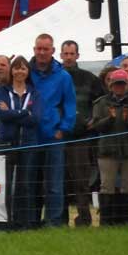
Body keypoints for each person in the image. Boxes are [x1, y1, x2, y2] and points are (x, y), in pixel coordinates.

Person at [29, 34, 77, 226]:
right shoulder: (25, 72)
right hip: (31, 135)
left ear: (52, 51)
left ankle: (53, 221)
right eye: (38, 49)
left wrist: (63, 129)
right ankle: (29, 219)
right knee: (30, 181)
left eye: (45, 49)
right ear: (34, 49)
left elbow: (70, 105)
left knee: (54, 183)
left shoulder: (63, 76)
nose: (41, 53)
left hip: (53, 135)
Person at [60, 41, 105, 229]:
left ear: (78, 56)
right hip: (58, 135)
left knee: (81, 181)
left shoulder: (89, 78)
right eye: (66, 53)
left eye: (72, 54)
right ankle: (59, 220)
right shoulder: (55, 77)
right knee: (58, 180)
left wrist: (92, 121)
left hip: (81, 138)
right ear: (60, 55)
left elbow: (102, 101)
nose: (69, 57)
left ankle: (84, 218)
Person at [0, 55, 42, 229]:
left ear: (27, 71)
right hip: (6, 142)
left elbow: (35, 119)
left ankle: (24, 223)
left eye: (23, 68)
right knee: (4, 184)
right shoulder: (2, 90)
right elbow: (2, 115)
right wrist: (24, 112)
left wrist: (13, 112)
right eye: (16, 68)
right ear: (11, 70)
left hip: (28, 143)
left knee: (26, 185)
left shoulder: (34, 92)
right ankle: (3, 222)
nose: (19, 71)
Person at [92, 69, 128, 226]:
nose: (119, 87)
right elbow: (97, 126)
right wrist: (110, 119)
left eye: (122, 84)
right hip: (107, 151)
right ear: (110, 85)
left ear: (127, 85)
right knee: (107, 186)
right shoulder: (101, 103)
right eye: (116, 84)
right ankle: (106, 222)